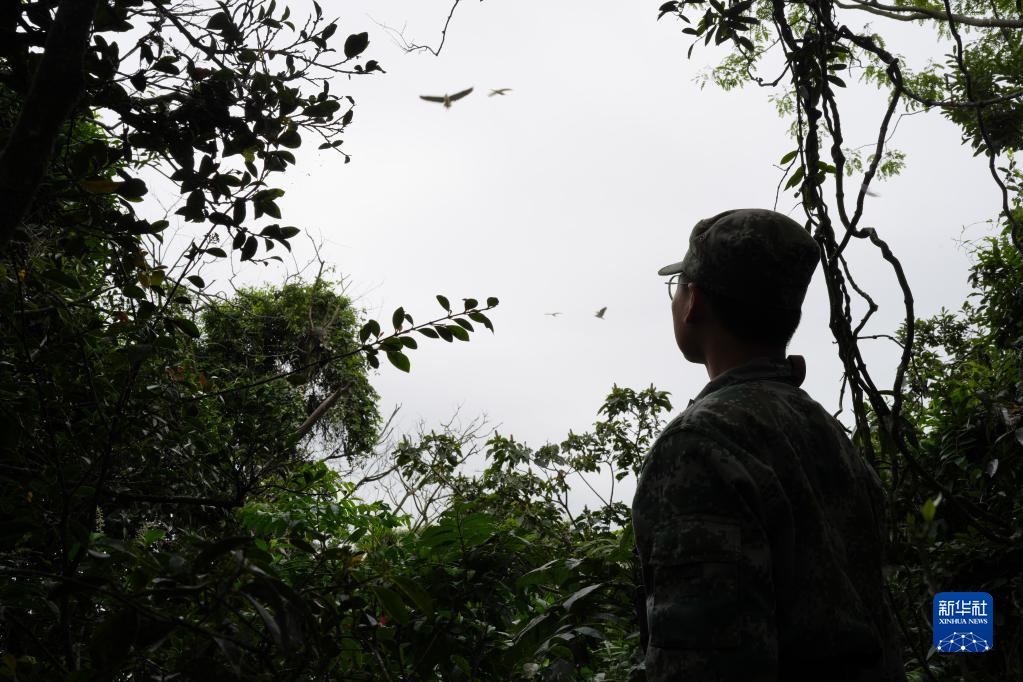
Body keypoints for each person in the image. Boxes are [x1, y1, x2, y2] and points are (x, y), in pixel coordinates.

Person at [632, 208, 905, 681]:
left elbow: (702, 663)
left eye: (677, 287)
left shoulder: (699, 444)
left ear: (693, 302)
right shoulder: (825, 431)